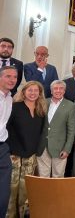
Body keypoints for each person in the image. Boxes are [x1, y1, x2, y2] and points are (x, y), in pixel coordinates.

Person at [6, 81, 46, 218]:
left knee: (25, 189)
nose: (33, 93)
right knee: (12, 188)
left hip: (31, 155)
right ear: (23, 92)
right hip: (14, 154)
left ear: (40, 93)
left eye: (36, 90)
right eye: (30, 90)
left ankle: (22, 215)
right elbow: (5, 129)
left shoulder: (41, 110)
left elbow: (41, 133)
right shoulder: (14, 107)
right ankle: (10, 215)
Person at [37, 80, 75, 178]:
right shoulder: (44, 102)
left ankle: (56, 194)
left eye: (61, 88)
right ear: (51, 91)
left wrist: (67, 149)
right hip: (42, 146)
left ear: (64, 91)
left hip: (60, 148)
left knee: (58, 176)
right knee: (43, 176)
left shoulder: (71, 106)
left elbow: (71, 130)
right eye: (55, 88)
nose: (58, 91)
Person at [0, 66, 17, 218]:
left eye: (15, 77)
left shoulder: (10, 98)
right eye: (8, 76)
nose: (12, 80)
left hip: (3, 147)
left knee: (4, 190)